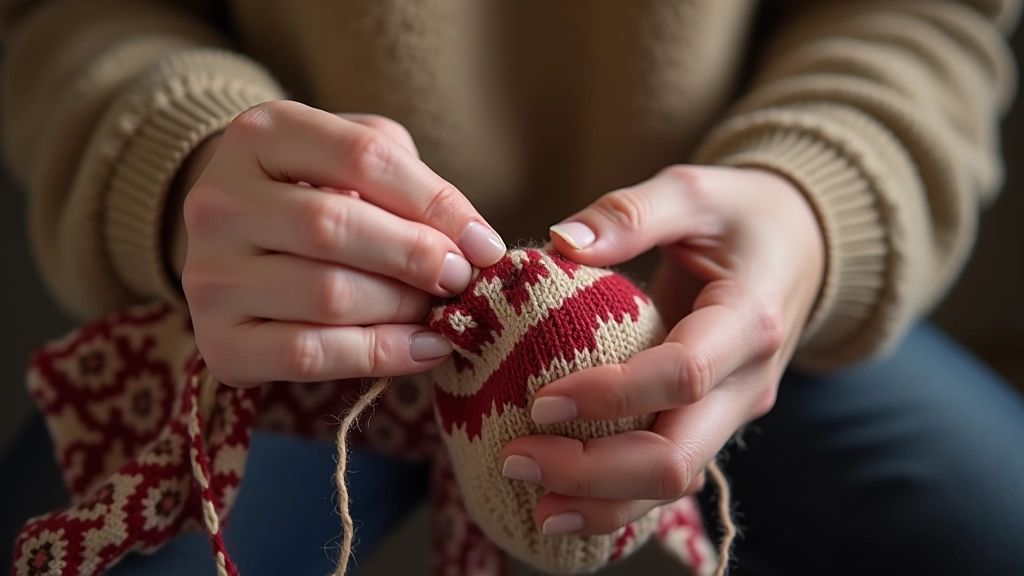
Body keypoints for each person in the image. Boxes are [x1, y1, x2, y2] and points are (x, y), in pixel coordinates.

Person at [1, 1, 1023, 574]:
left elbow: (925, 16)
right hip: (278, 323)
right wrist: (182, 158)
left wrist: (812, 194)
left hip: (725, 301)